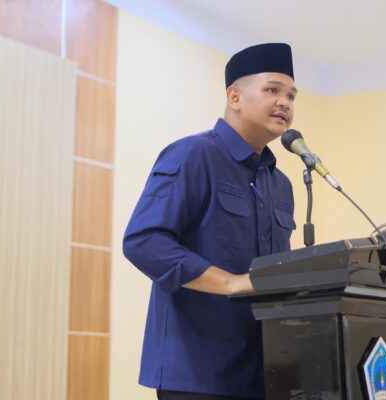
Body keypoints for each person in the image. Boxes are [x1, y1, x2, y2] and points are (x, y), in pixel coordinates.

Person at [123, 43, 298, 400]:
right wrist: (231, 283)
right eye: (272, 90)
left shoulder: (280, 184)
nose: (285, 102)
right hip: (197, 374)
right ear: (235, 96)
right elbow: (144, 241)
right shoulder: (193, 155)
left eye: (291, 96)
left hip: (263, 375)